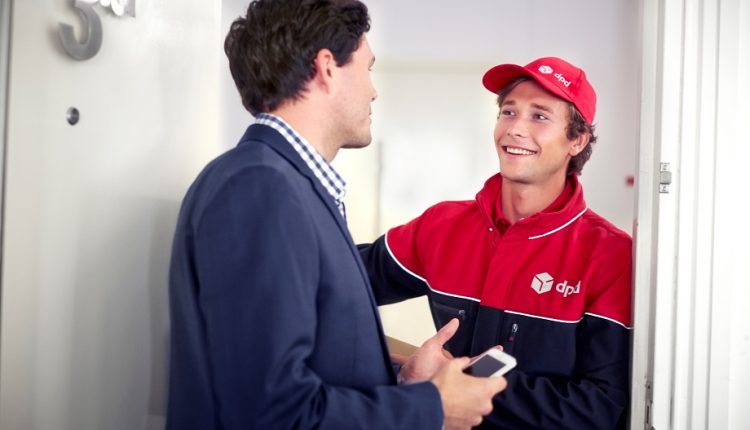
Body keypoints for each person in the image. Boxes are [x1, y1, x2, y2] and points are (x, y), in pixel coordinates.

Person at [166, 0, 506, 429]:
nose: (373, 91)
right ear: (327, 67)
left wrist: (403, 382)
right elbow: (271, 412)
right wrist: (432, 408)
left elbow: (317, 368)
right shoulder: (260, 187)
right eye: (368, 68)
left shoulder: (288, 184)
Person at [360, 57, 633, 429]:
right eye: (508, 112)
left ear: (577, 140)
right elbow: (340, 282)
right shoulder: (442, 226)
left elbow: (599, 408)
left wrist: (461, 386)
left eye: (539, 116)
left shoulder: (610, 255)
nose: (515, 129)